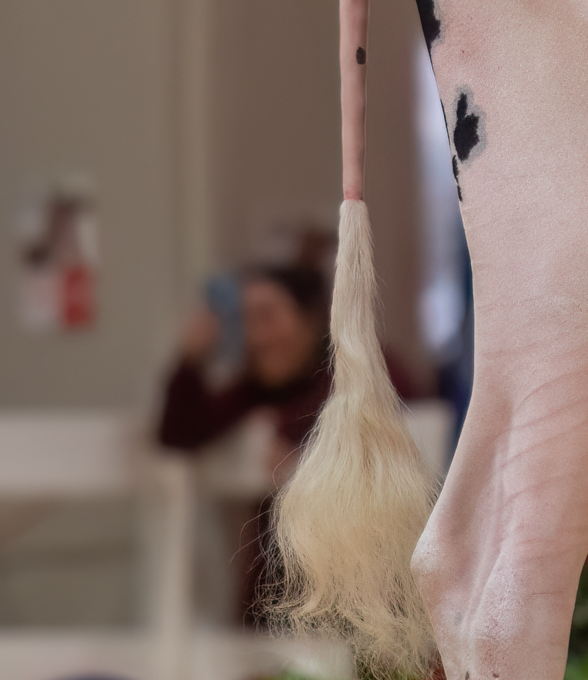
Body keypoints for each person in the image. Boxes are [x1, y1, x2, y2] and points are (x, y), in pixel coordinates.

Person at [156, 257, 427, 621]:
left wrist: (297, 442)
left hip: (365, 598)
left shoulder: (367, 368)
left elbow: (402, 408)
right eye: (244, 321)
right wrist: (191, 361)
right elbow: (177, 434)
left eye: (267, 317)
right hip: (276, 601)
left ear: (311, 319)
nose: (257, 337)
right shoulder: (254, 389)